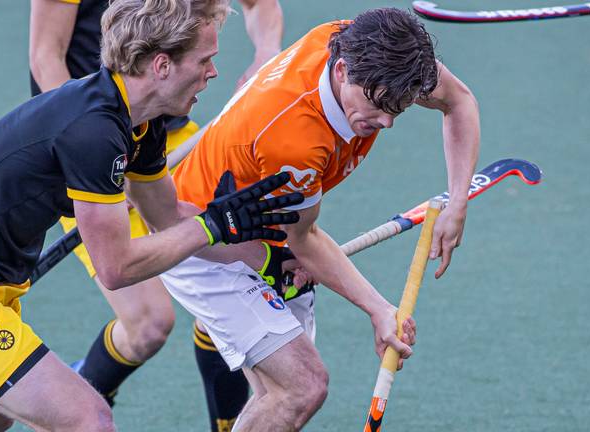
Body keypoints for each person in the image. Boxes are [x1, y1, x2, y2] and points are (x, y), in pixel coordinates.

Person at [0, 1, 303, 431]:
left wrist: (261, 255)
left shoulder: (142, 123)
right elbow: (117, 268)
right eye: (205, 60)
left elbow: (168, 217)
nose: (213, 72)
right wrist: (211, 226)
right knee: (87, 419)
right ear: (161, 66)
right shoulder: (94, 133)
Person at [166, 8, 481, 430]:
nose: (385, 123)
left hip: (272, 223)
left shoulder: (365, 45)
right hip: (205, 241)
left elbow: (458, 100)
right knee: (300, 388)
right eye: (378, 105)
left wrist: (458, 201)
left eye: (398, 110)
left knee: (277, 397)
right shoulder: (293, 140)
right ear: (342, 70)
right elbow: (305, 241)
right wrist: (379, 309)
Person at [29, 0, 283, 428]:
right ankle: (86, 386)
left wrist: (266, 53)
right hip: (83, 143)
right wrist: (101, 154)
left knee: (229, 287)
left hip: (161, 131)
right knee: (149, 325)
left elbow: (259, 5)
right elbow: (45, 56)